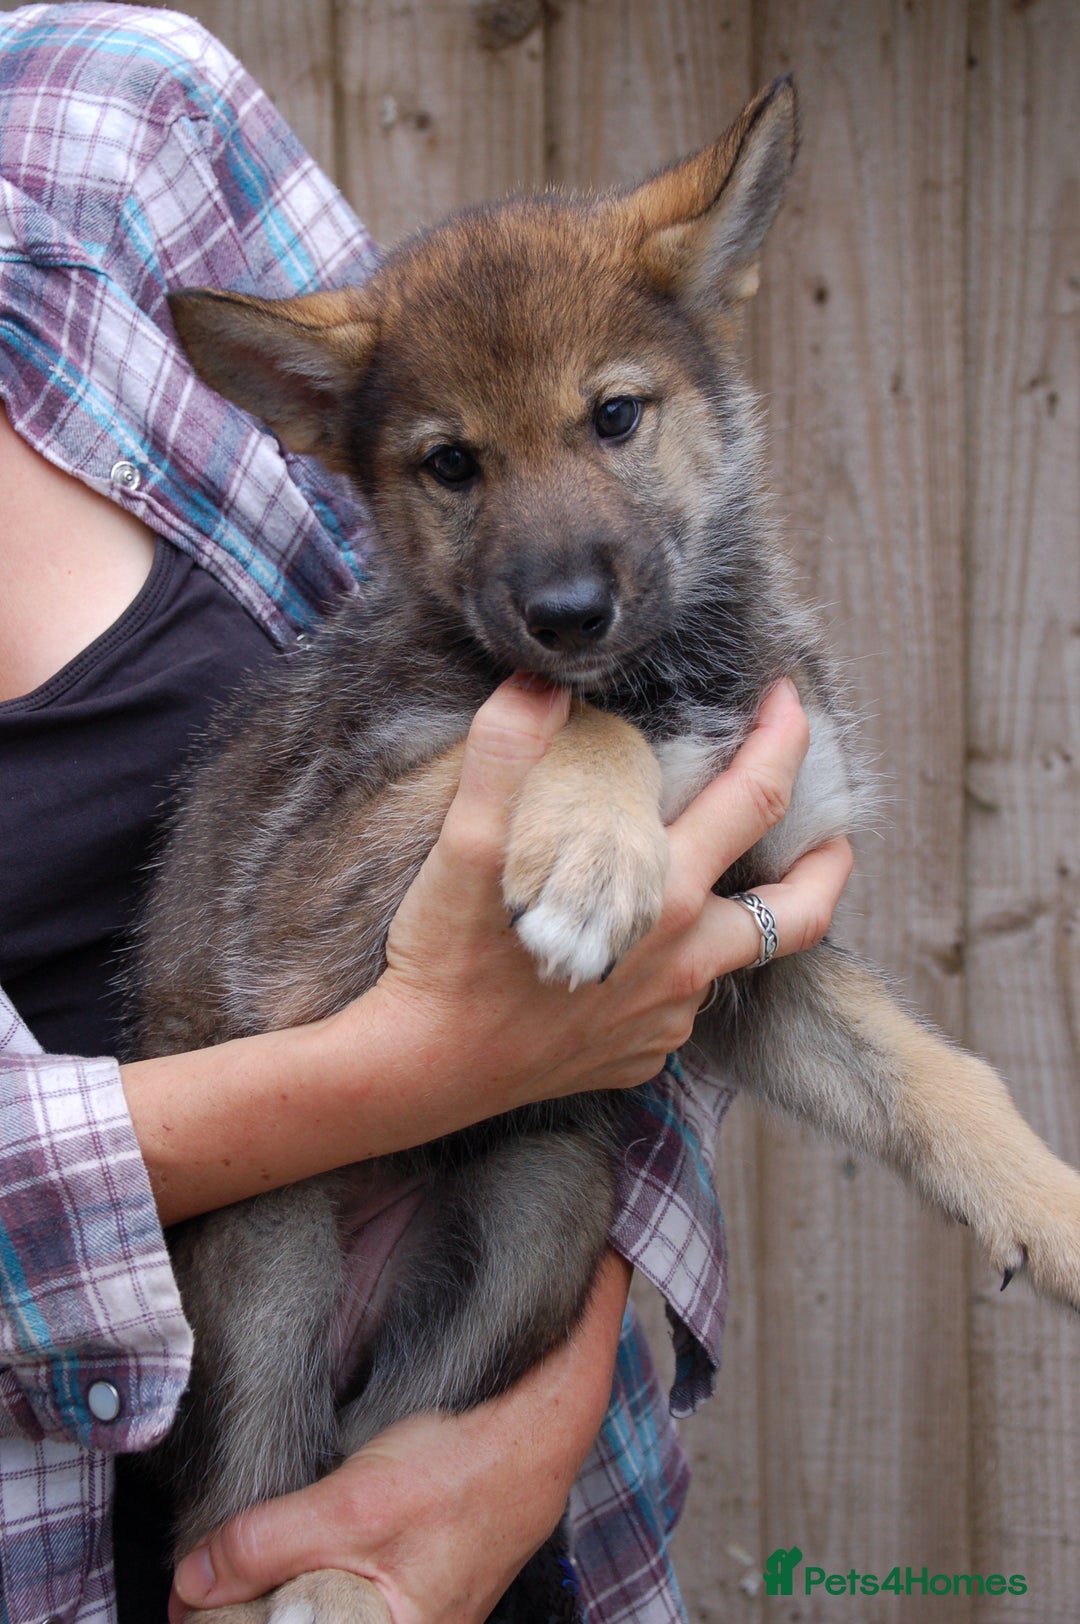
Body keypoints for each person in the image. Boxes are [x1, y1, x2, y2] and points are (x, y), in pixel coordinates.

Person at [0, 8, 853, 1624]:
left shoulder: (117, 120)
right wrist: (406, 1071)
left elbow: (623, 874)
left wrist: (530, 1429)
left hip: (510, 1467)